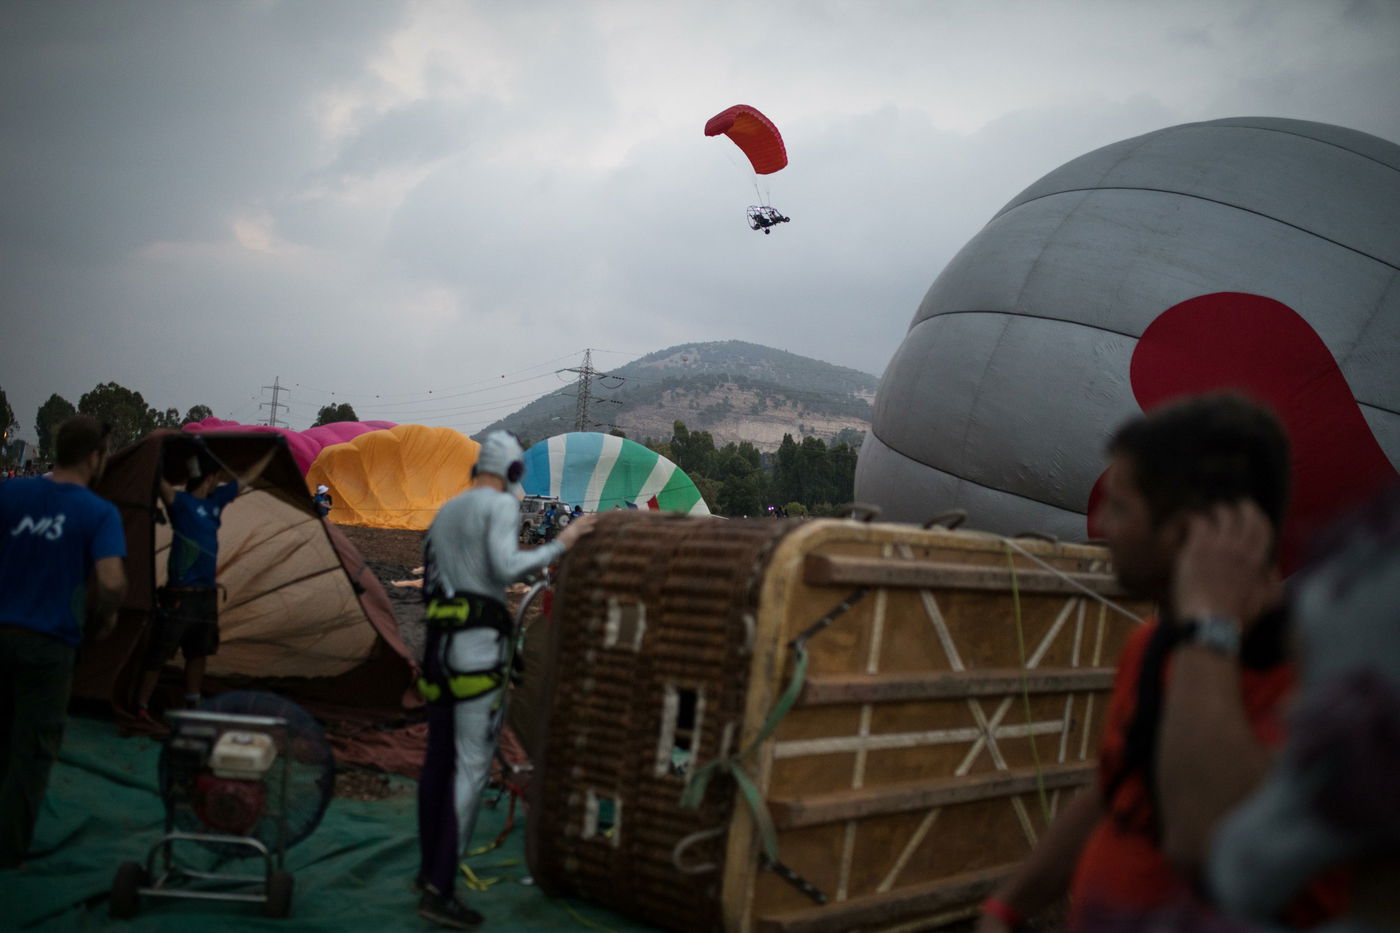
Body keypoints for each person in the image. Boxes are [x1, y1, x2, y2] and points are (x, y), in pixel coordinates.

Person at [976, 393, 1340, 931]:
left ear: (1192, 532)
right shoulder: (1154, 647)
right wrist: (1007, 907)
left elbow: (1205, 842)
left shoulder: (1320, 688)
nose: (1100, 525)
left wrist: (1210, 620)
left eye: (1121, 507)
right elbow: (1119, 788)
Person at [414, 431, 595, 930]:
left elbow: (445, 574)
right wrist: (564, 542)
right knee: (471, 768)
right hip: (476, 652)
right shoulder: (497, 507)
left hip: (438, 649)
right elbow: (504, 565)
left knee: (437, 763)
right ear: (514, 472)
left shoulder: (448, 510)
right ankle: (439, 888)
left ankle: (426, 869)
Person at [0, 415, 126, 869]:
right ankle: (9, 851)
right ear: (95, 457)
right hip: (48, 645)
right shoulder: (97, 511)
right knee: (32, 748)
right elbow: (112, 580)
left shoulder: (10, 492)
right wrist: (106, 614)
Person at [133, 445, 276, 719]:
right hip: (179, 596)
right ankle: (142, 705)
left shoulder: (215, 502)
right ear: (208, 478)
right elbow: (158, 482)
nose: (218, 482)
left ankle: (192, 702)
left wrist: (269, 453)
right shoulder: (181, 503)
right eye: (216, 477)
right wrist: (158, 451)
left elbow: (244, 481)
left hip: (205, 595)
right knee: (160, 651)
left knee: (198, 653)